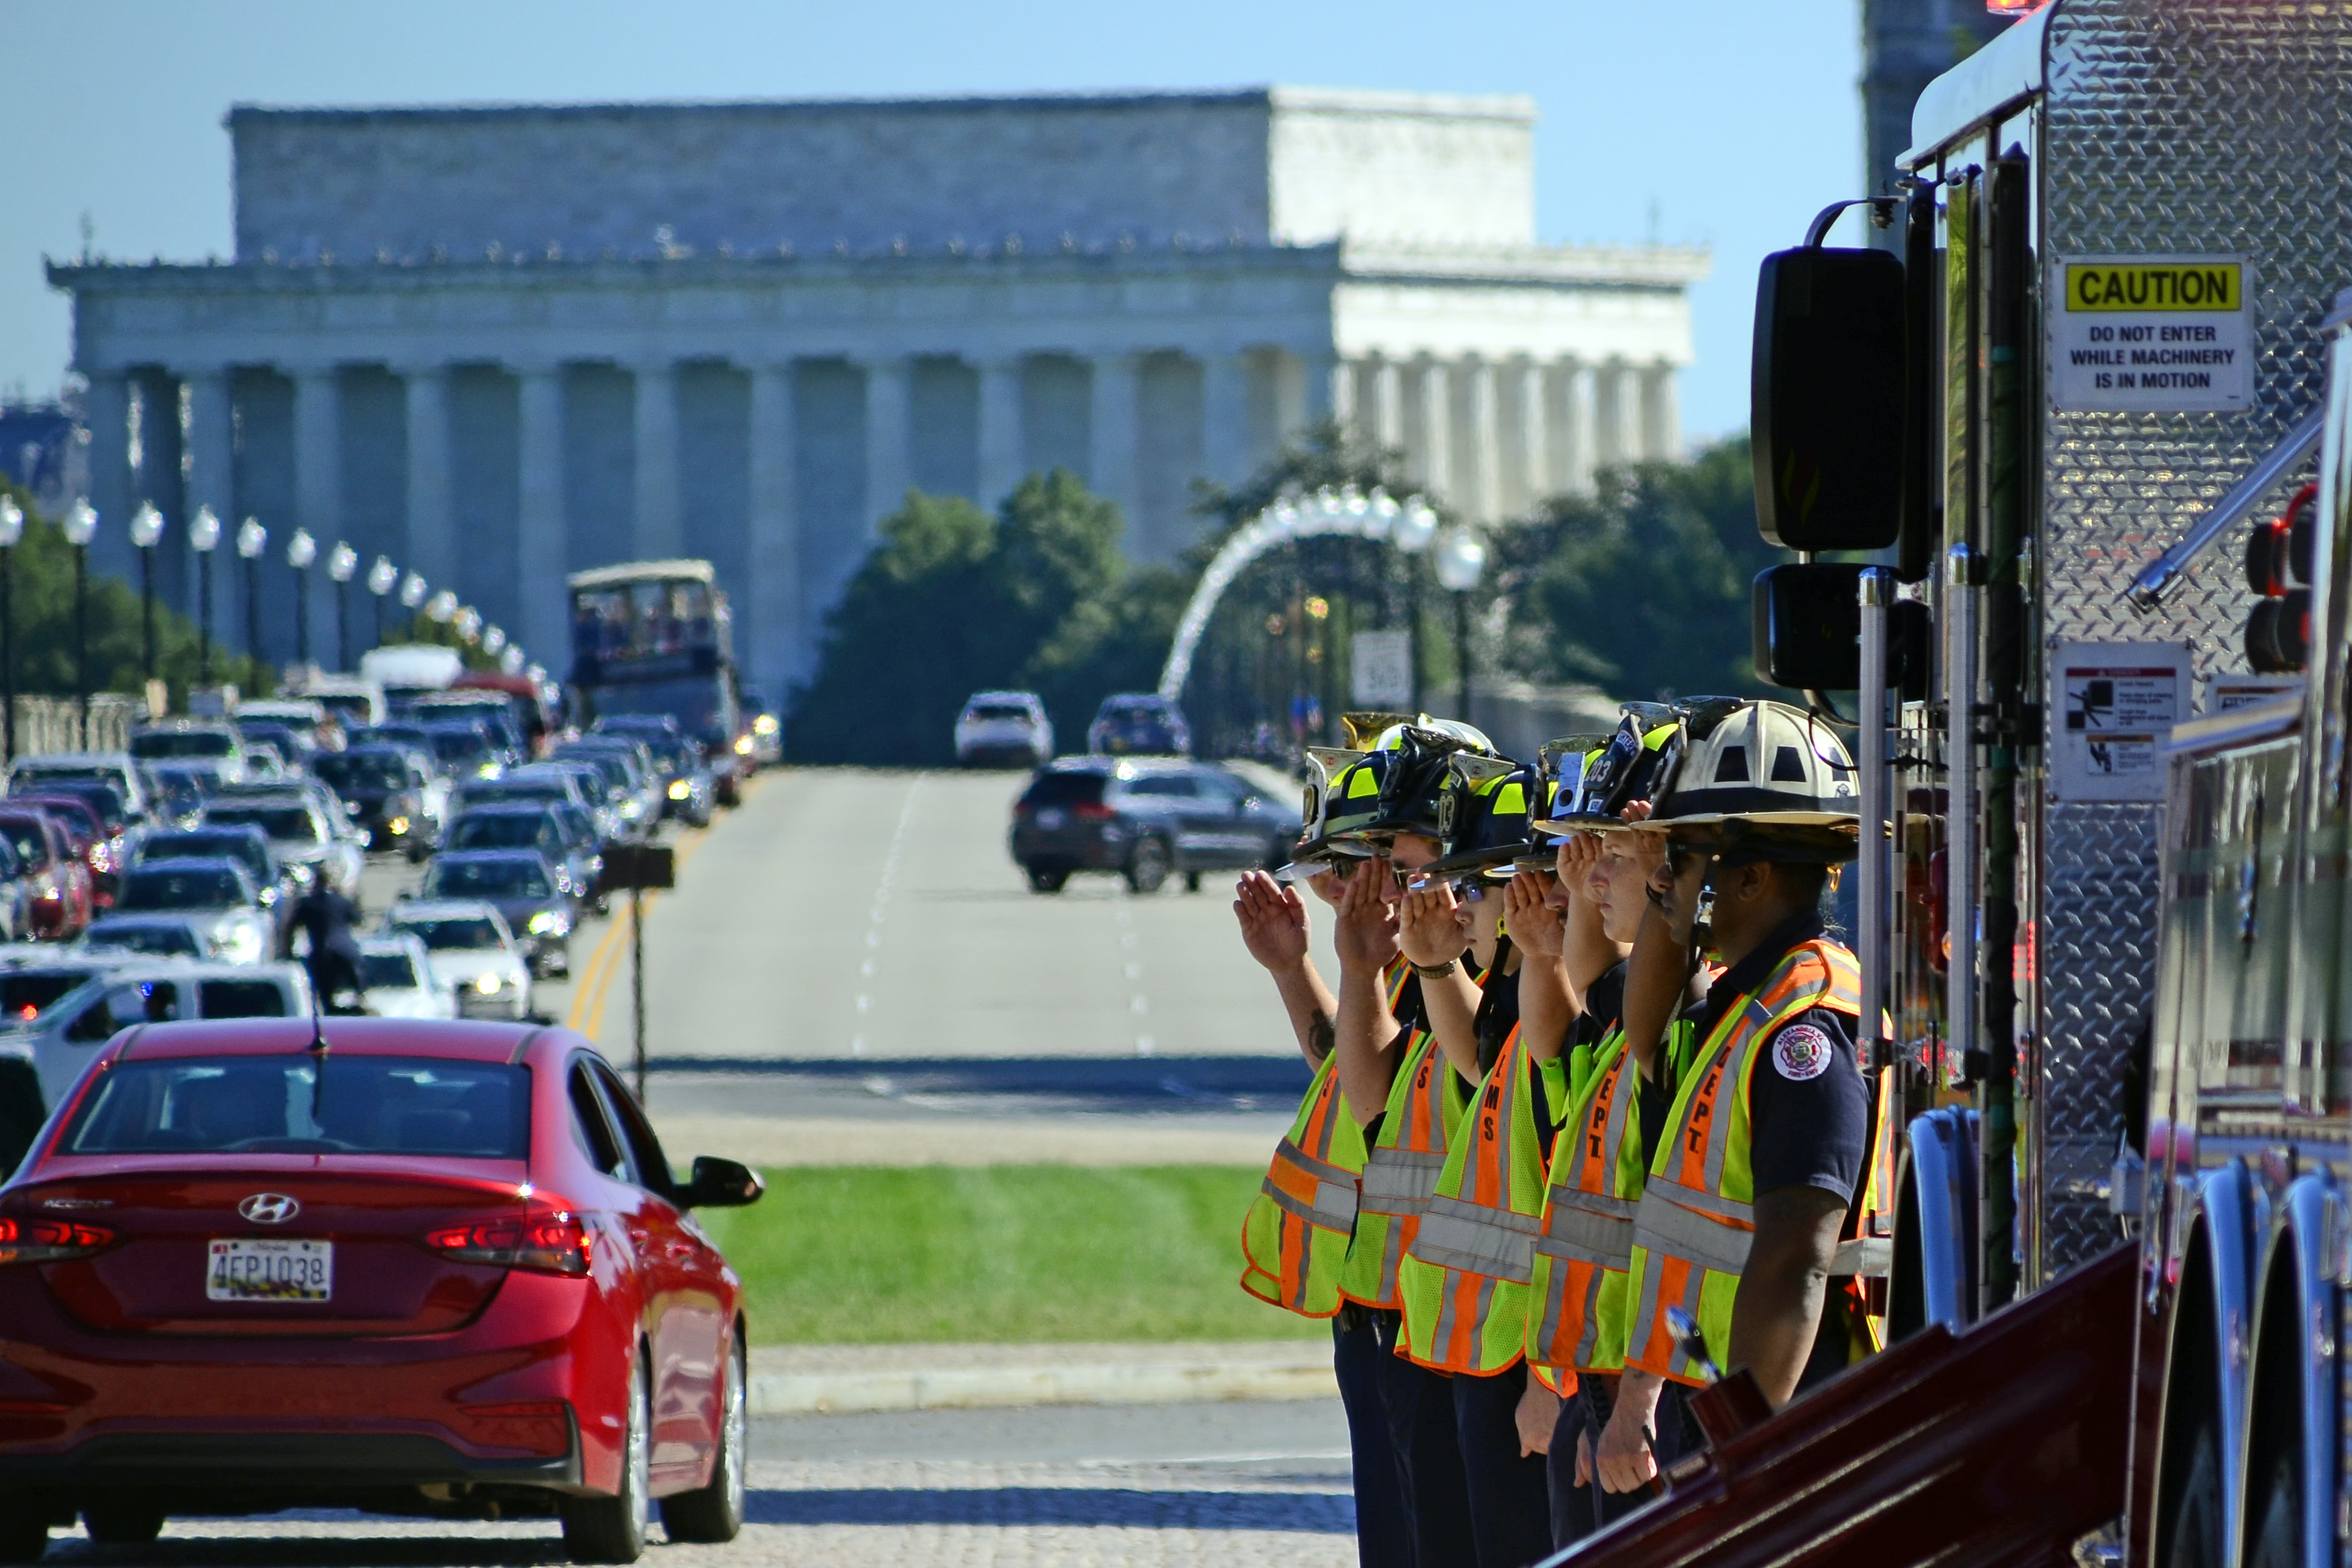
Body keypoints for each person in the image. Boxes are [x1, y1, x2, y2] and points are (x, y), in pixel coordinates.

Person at [1598, 699, 1878, 1495]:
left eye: (1690, 858)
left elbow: (1797, 1252)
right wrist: (1673, 884)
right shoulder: (1745, 1000)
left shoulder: (1805, 1022)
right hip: (1724, 1392)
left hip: (1780, 1410)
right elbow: (1645, 1026)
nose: (1667, 878)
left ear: (1751, 875)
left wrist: (1749, 1450)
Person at [289, 879, 364, 1013]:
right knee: (357, 976)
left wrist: (288, 951)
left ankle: (326, 1008)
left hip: (322, 952)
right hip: (345, 951)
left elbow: (292, 928)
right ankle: (360, 995)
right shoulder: (341, 901)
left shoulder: (308, 903)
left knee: (318, 989)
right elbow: (358, 920)